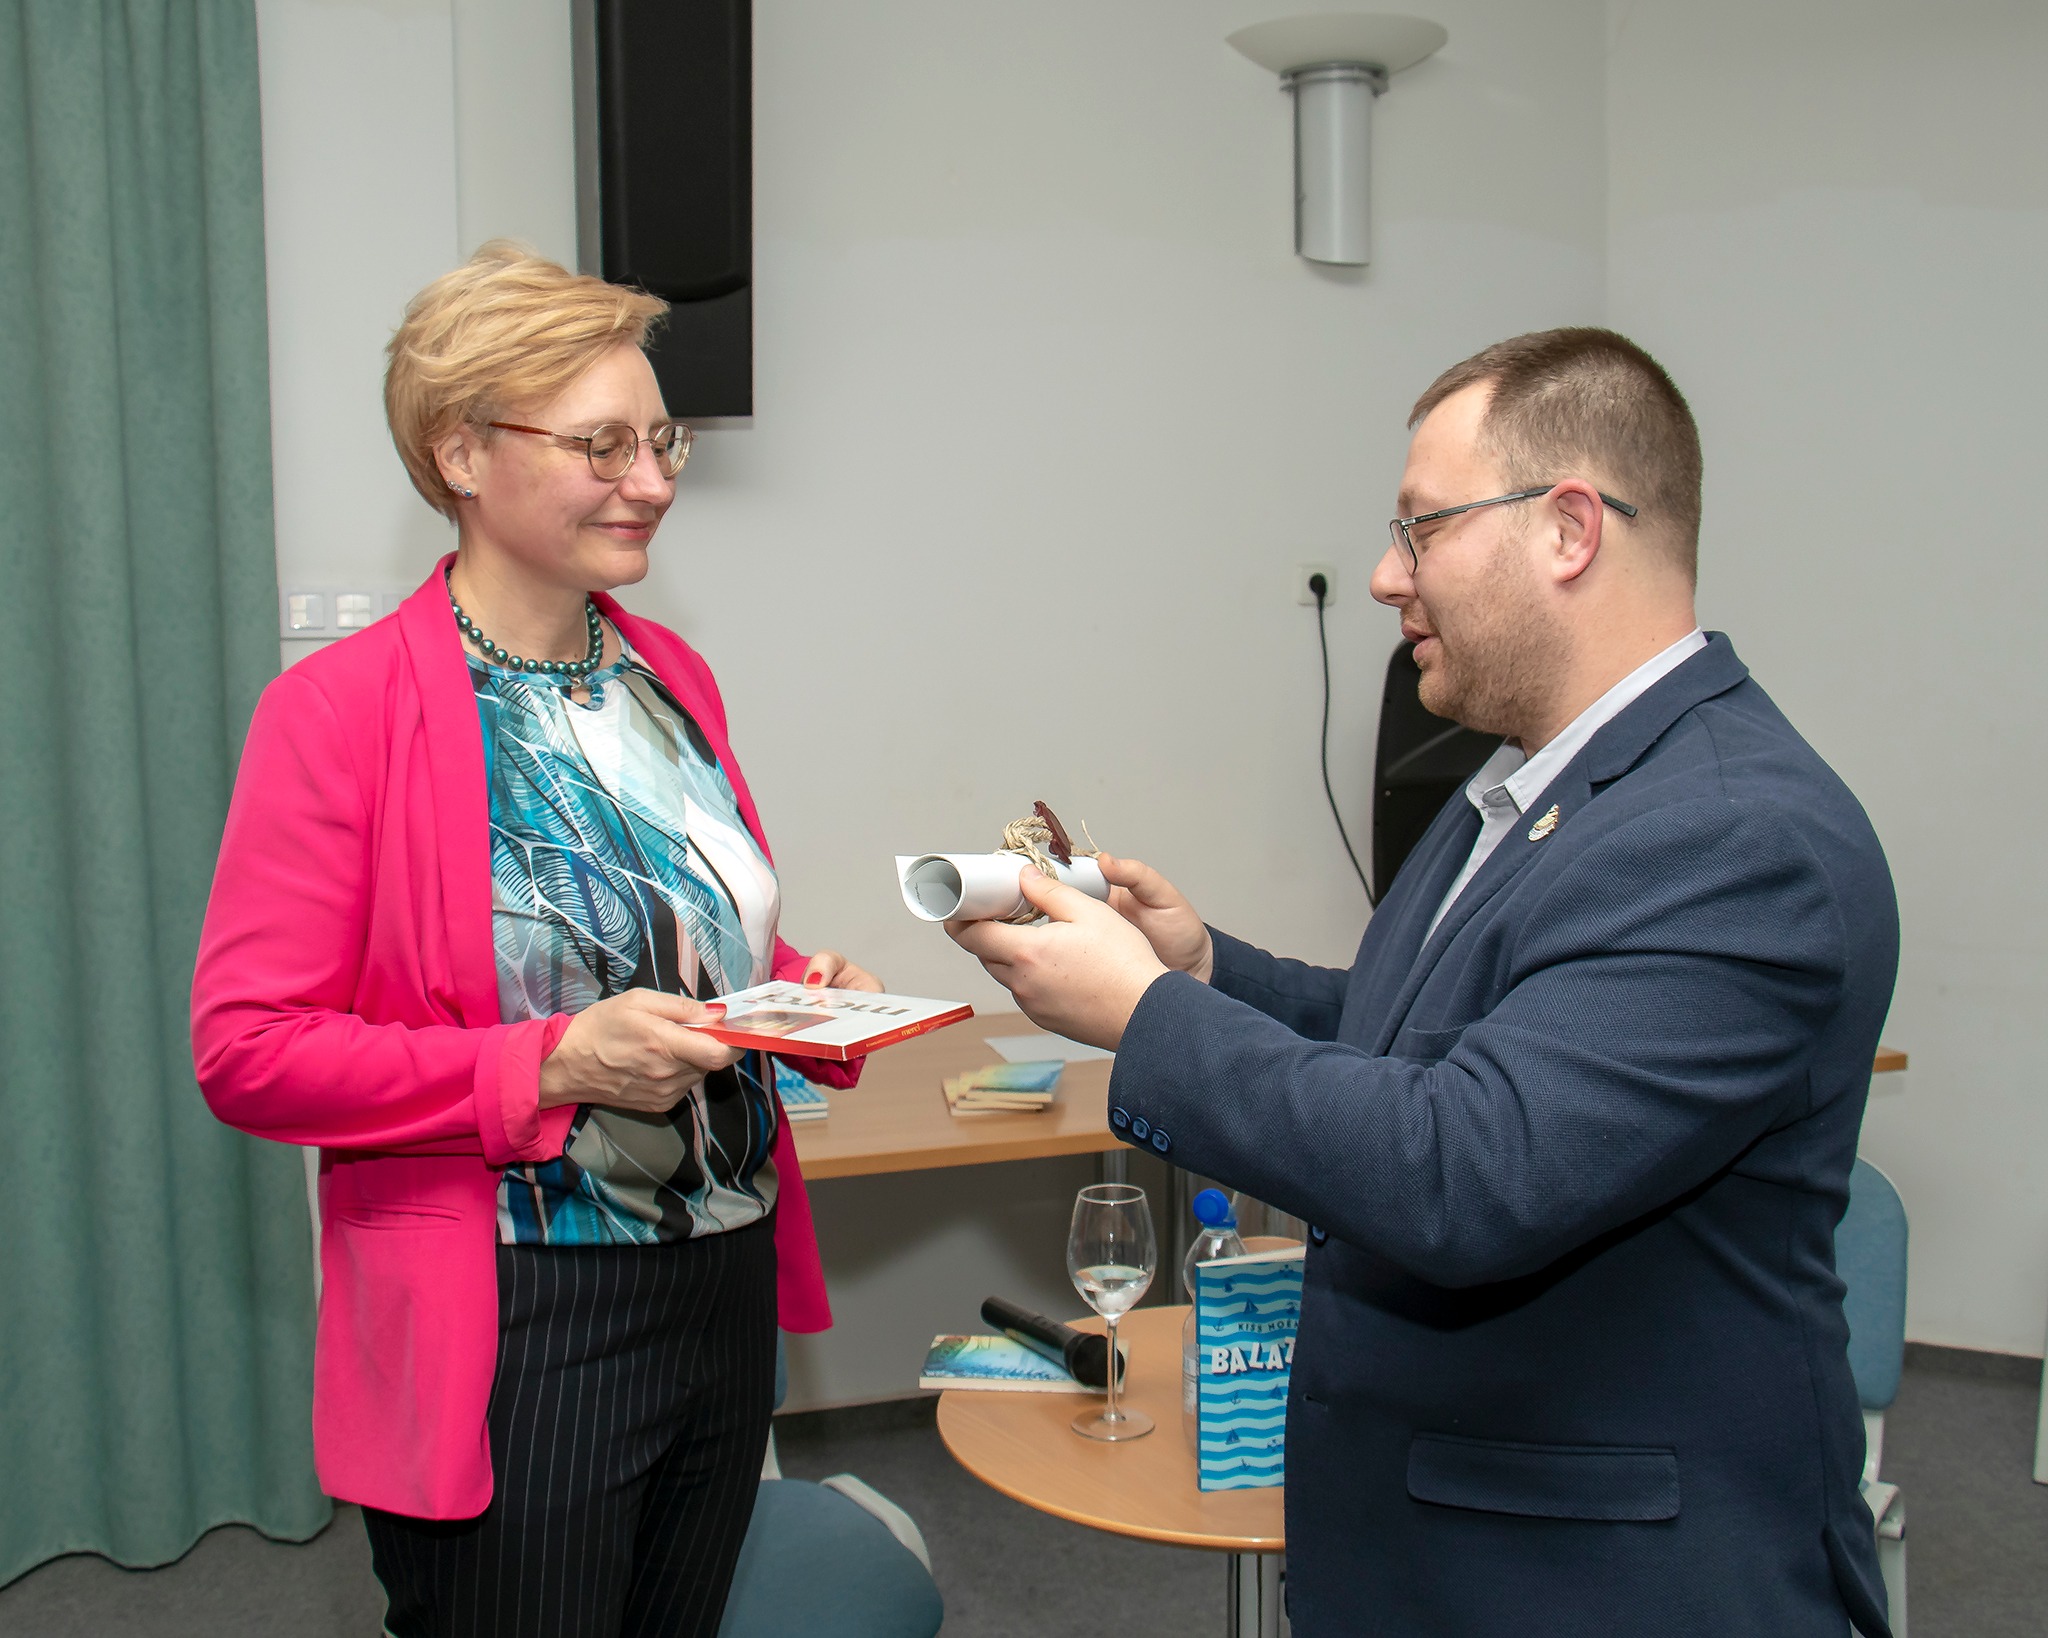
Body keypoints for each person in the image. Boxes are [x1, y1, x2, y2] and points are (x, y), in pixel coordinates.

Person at [949, 328, 1899, 1637]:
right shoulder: (1517, 782)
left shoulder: (1737, 836)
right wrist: (1205, 970)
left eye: (1422, 527)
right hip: (1434, 1550)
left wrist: (1145, 1015)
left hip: (1598, 1588)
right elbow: (1421, 1040)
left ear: (1569, 528)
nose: (1388, 575)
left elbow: (1468, 1168)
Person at [192, 243, 879, 1638]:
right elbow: (248, 1050)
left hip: (720, 1274)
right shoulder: (337, 715)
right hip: (521, 1311)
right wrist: (551, 1065)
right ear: (461, 452)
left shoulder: (669, 674)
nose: (653, 480)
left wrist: (797, 991)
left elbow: (663, 930)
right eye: (601, 445)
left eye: (661, 440)